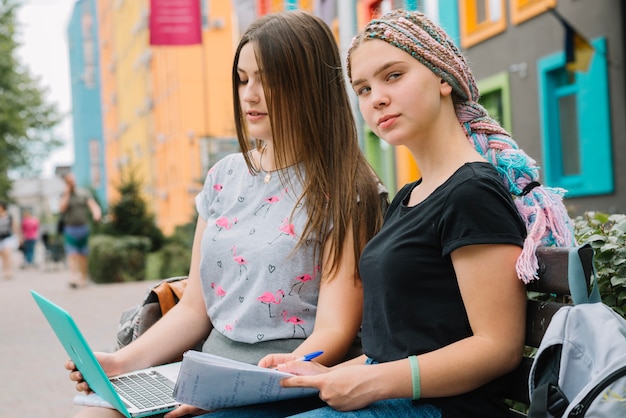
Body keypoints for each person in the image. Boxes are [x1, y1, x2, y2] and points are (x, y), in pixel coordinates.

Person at [66, 10, 386, 418]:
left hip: (284, 382)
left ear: (308, 84)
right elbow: (195, 309)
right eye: (242, 78)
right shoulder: (224, 177)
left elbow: (334, 331)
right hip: (203, 374)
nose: (250, 94)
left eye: (267, 78)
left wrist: (237, 390)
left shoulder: (348, 189)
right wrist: (120, 363)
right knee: (93, 414)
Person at [272, 10, 574, 418]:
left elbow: (496, 347)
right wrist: (311, 375)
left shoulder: (471, 192)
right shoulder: (409, 197)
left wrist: (369, 381)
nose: (375, 97)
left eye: (392, 75)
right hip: (393, 401)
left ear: (443, 78)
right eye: (362, 88)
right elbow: (396, 351)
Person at [59, 172, 102, 288]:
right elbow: (62, 208)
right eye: (69, 181)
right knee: (72, 254)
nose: (72, 182)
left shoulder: (83, 193)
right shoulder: (64, 195)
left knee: (83, 255)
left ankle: (83, 278)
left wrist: (96, 213)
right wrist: (67, 193)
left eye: (73, 180)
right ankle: (73, 278)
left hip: (83, 228)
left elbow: (93, 205)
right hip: (70, 229)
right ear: (66, 182)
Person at [0, 201, 20, 280]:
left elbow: (14, 227)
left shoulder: (9, 216)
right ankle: (5, 270)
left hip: (7, 238)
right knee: (3, 256)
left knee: (7, 254)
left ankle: (9, 271)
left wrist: (19, 237)